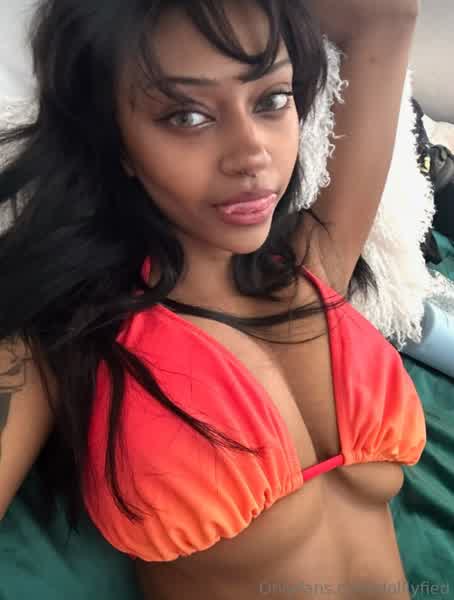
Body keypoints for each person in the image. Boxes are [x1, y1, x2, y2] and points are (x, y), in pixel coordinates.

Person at [0, 1, 425, 599]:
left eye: (272, 99)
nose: (251, 154)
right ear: (115, 142)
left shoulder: (316, 262)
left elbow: (388, 15)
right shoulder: (65, 338)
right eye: (187, 116)